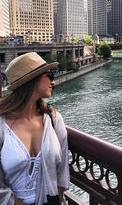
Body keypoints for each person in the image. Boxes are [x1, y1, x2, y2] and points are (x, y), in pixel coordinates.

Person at [0, 52, 70, 205]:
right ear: (33, 80)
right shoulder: (2, 125)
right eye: (49, 75)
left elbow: (62, 171)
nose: (53, 81)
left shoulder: (53, 119)